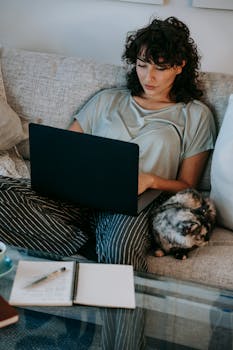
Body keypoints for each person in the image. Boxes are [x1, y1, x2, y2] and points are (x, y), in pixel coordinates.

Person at [0, 16, 216, 349]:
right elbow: (64, 150)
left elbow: (189, 185)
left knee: (121, 252)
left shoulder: (193, 114)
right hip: (73, 197)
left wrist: (151, 179)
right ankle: (90, 249)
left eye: (160, 67)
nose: (149, 76)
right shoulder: (108, 99)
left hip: (130, 205)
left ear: (180, 66)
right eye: (142, 65)